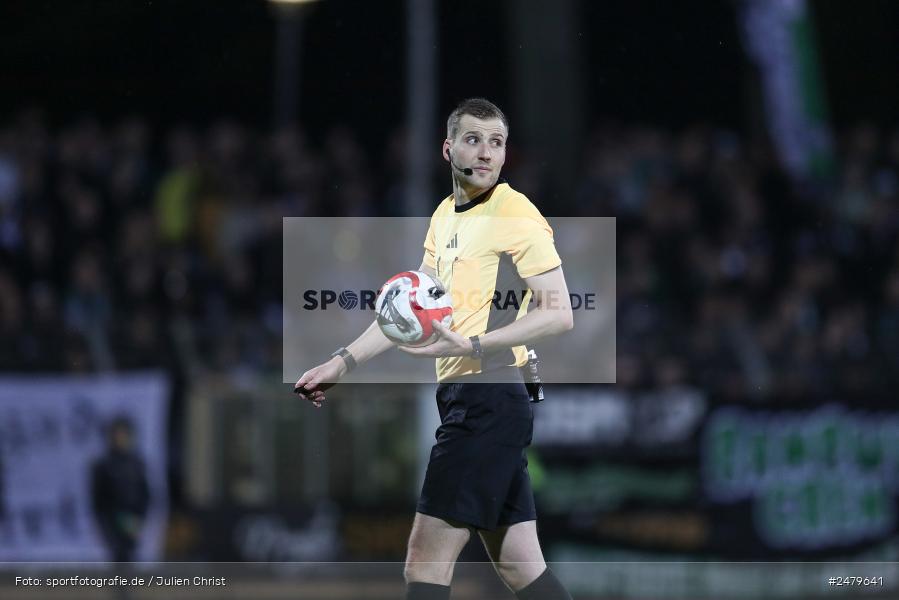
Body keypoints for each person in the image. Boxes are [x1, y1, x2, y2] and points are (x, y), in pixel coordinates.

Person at [295, 98, 574, 600]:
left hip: (489, 399)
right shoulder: (445, 215)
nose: (486, 152)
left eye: (497, 142)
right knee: (521, 568)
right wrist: (341, 362)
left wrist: (473, 342)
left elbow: (559, 313)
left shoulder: (515, 213)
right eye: (474, 139)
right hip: (471, 400)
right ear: (448, 149)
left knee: (425, 557)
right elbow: (405, 317)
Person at [90, 416, 150, 563]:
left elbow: (145, 493)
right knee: (117, 554)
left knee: (129, 554)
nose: (121, 438)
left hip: (132, 517)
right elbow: (98, 499)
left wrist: (140, 517)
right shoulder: (104, 465)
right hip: (112, 518)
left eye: (124, 434)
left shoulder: (136, 463)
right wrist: (105, 521)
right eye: (117, 434)